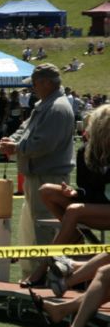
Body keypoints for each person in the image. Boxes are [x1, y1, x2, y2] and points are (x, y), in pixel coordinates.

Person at [0, 63, 75, 283]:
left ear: (46, 82)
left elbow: (44, 144)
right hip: (38, 174)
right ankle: (38, 271)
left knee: (45, 226)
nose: (32, 88)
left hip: (49, 176)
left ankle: (45, 275)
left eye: (35, 83)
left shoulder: (57, 108)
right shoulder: (45, 104)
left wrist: (16, 147)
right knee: (34, 226)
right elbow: (25, 129)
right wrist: (12, 140)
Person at [28, 105, 110, 291]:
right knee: (47, 190)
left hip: (105, 208)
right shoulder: (85, 152)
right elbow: (86, 189)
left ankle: (44, 267)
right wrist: (74, 193)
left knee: (74, 211)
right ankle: (72, 234)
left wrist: (81, 198)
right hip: (96, 206)